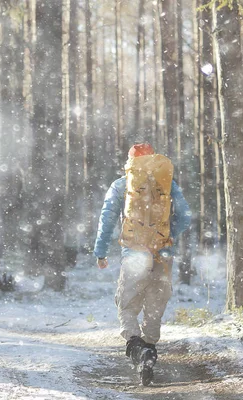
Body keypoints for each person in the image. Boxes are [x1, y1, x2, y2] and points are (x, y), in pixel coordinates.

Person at [93, 143, 191, 385]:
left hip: (135, 254)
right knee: (154, 308)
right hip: (163, 254)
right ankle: (149, 349)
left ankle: (138, 349)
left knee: (126, 305)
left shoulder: (121, 185)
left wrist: (101, 252)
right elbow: (186, 215)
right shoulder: (167, 185)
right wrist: (168, 236)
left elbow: (106, 219)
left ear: (130, 162)